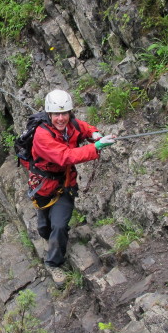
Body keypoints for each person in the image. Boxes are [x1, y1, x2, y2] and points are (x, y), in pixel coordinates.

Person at [29, 89, 116, 288]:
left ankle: (53, 263)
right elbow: (65, 156)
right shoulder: (42, 136)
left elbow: (83, 128)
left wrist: (94, 133)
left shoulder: (72, 124)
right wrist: (96, 147)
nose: (61, 118)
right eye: (56, 114)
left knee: (59, 225)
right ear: (49, 115)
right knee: (44, 227)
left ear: (70, 113)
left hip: (65, 183)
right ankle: (51, 240)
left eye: (65, 113)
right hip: (43, 186)